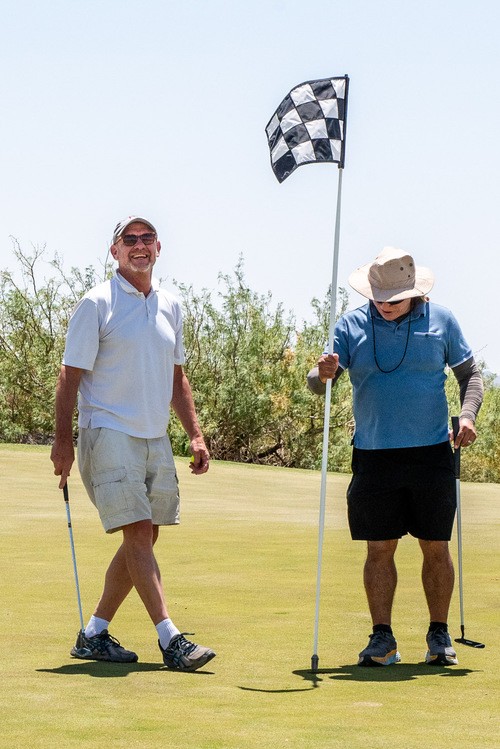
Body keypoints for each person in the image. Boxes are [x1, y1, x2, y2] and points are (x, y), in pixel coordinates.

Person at [50, 215, 216, 671]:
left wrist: (195, 434)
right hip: (108, 431)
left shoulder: (171, 305)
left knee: (147, 534)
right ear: (115, 250)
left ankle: (94, 634)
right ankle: (171, 639)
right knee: (139, 532)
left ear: (158, 248)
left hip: (154, 435)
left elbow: (176, 377)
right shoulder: (96, 303)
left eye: (147, 238)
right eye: (130, 239)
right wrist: (63, 441)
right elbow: (69, 375)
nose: (139, 245)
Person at [307, 246, 483, 667]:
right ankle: (382, 638)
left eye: (394, 299)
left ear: (414, 292)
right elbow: (317, 382)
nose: (385, 306)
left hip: (431, 453)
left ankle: (439, 634)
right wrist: (321, 373)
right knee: (379, 549)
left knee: (435, 546)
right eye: (378, 298)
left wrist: (468, 416)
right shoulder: (350, 325)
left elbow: (470, 375)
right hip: (374, 454)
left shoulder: (442, 321)